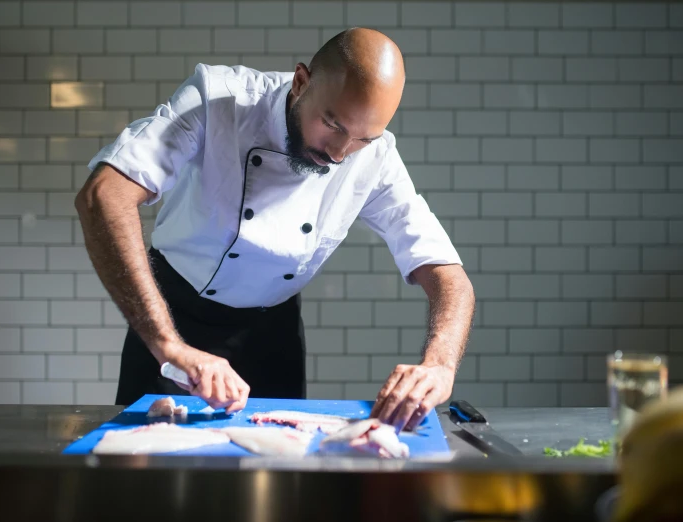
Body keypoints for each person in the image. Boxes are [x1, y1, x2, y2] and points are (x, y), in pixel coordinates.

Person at [75, 28, 475, 433]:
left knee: (277, 476)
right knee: (148, 475)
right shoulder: (220, 100)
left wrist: (440, 365)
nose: (339, 153)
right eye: (332, 124)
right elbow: (103, 196)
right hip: (175, 315)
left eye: (362, 139)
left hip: (272, 333)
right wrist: (167, 344)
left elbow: (449, 275)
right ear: (301, 82)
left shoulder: (378, 158)